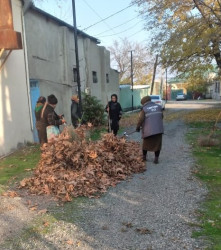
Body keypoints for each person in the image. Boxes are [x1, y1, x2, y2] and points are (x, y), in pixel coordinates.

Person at [136, 96, 164, 164]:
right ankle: (156, 159)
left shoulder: (144, 109)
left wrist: (138, 127)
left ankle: (144, 157)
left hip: (148, 130)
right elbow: (162, 116)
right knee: (157, 145)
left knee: (145, 144)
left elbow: (141, 119)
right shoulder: (158, 106)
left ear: (144, 102)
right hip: (158, 129)